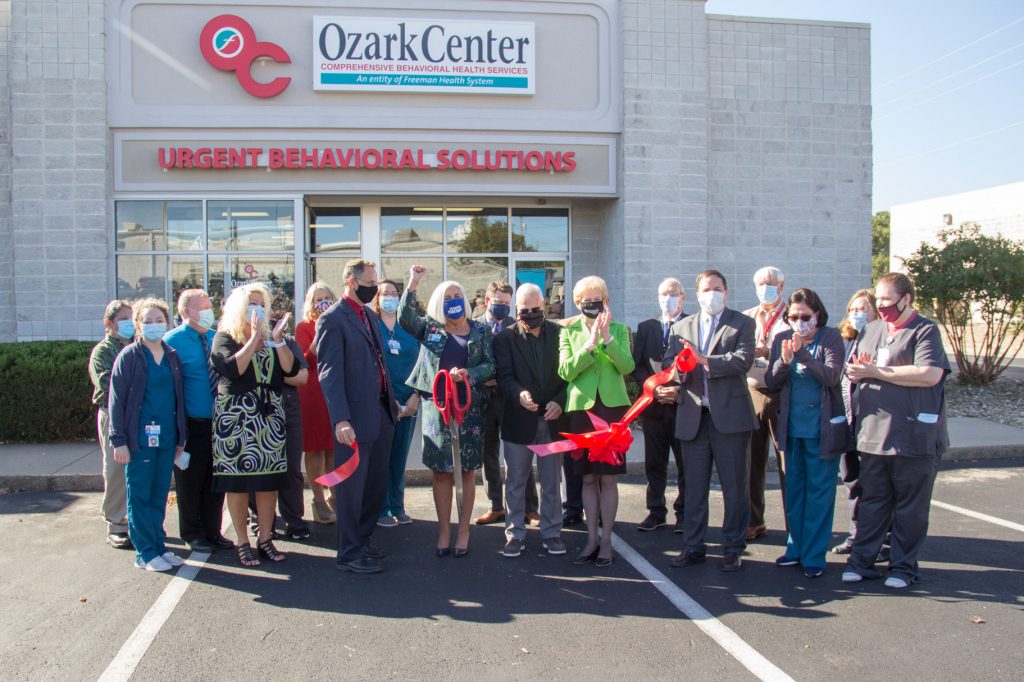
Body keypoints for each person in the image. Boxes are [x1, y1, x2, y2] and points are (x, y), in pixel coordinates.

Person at [843, 272, 950, 589]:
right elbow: (859, 366)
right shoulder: (872, 329)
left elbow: (929, 374)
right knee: (872, 503)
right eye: (878, 299)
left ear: (906, 299)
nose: (880, 305)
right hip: (874, 435)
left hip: (913, 437)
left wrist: (876, 372)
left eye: (887, 300)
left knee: (910, 508)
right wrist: (858, 372)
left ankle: (902, 568)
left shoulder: (925, 330)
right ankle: (861, 562)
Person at [662, 269, 757, 572]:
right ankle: (693, 546)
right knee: (694, 488)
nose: (711, 294)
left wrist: (704, 360)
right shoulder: (682, 327)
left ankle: (733, 548)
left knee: (734, 488)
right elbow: (669, 363)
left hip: (730, 419)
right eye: (706, 289)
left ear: (725, 292)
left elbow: (742, 361)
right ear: (697, 294)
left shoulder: (742, 323)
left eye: (717, 288)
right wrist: (676, 372)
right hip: (694, 417)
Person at [399, 265, 494, 558]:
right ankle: (443, 531)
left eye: (457, 296)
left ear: (464, 300)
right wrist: (413, 283)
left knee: (467, 470)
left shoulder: (481, 330)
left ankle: (463, 530)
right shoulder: (431, 328)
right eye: (447, 297)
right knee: (441, 472)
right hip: (437, 409)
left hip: (469, 409)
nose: (454, 300)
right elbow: (404, 319)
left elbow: (491, 365)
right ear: (440, 303)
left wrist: (469, 375)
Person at [315, 259, 399, 574]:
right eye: (369, 283)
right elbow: (329, 374)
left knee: (375, 485)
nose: (374, 289)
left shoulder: (368, 315)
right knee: (351, 489)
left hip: (380, 413)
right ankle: (349, 552)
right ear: (351, 282)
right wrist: (340, 419)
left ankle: (362, 540)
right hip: (353, 419)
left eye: (376, 283)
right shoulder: (332, 319)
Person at [210, 283, 298, 567]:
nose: (257, 309)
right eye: (252, 304)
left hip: (269, 418)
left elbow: (291, 369)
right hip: (236, 418)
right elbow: (231, 368)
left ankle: (265, 538)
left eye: (261, 304)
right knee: (237, 483)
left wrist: (278, 341)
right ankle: (242, 541)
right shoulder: (225, 337)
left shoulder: (272, 337)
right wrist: (253, 340)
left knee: (268, 482)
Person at [765, 288, 848, 578]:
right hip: (792, 429)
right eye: (793, 317)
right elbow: (771, 380)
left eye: (805, 316)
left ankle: (814, 555)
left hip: (821, 429)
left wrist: (802, 354)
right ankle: (795, 549)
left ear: (817, 315)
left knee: (819, 494)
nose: (799, 322)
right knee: (795, 491)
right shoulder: (781, 339)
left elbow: (832, 376)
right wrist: (784, 361)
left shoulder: (830, 338)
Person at [558, 276, 635, 567]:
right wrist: (589, 345)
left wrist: (607, 339)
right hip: (581, 412)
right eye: (585, 301)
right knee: (588, 477)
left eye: (597, 300)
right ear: (577, 303)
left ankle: (607, 540)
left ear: (606, 301)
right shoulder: (568, 331)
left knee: (609, 478)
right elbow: (566, 371)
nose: (591, 305)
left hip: (612, 411)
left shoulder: (619, 330)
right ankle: (591, 538)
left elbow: (627, 366)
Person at [107, 298, 188, 572]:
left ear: (167, 322)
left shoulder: (172, 356)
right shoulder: (129, 357)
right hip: (139, 440)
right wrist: (119, 441)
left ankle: (159, 546)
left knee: (159, 495)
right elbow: (117, 402)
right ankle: (145, 552)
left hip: (167, 437)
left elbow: (178, 399)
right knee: (140, 495)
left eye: (159, 320)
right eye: (148, 321)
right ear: (138, 325)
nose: (154, 325)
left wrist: (181, 437)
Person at [494, 283, 570, 558]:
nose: (529, 314)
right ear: (516, 309)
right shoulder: (505, 339)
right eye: (524, 310)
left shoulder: (561, 334)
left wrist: (560, 401)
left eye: (534, 309)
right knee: (515, 481)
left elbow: (570, 377)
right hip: (518, 421)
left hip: (552, 420)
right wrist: (520, 394)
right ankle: (514, 534)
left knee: (551, 482)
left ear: (544, 306)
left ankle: (552, 533)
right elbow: (504, 377)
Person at [163, 289, 229, 553]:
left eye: (209, 306)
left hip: (219, 424)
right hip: (191, 424)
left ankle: (213, 531)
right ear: (185, 311)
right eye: (202, 308)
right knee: (190, 481)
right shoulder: (172, 342)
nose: (208, 312)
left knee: (216, 481)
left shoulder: (216, 338)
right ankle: (193, 533)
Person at [474, 280, 540, 527]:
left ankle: (530, 508)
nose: (502, 306)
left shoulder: (517, 325)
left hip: (511, 398)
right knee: (488, 455)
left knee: (520, 454)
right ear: (487, 301)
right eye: (498, 302)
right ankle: (495, 507)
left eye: (506, 303)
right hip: (484, 399)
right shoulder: (474, 326)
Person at [632, 277, 687, 533]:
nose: (668, 298)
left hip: (683, 407)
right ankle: (656, 511)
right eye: (664, 294)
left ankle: (684, 513)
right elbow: (637, 366)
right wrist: (653, 389)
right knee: (654, 463)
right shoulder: (646, 328)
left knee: (686, 464)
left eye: (673, 294)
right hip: (653, 408)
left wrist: (678, 390)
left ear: (683, 297)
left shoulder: (692, 325)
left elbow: (697, 366)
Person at [743, 266, 790, 541]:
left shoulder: (792, 316)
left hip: (782, 393)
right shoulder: (748, 316)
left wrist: (768, 351)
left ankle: (793, 527)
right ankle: (753, 520)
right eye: (761, 283)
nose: (766, 288)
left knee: (786, 462)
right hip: (752, 392)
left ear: (781, 287)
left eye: (771, 284)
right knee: (751, 460)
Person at [832, 289, 879, 555]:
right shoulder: (845, 341)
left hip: (872, 423)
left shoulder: (882, 341)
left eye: (863, 309)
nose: (857, 314)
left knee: (876, 486)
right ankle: (855, 535)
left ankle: (882, 541)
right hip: (846, 422)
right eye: (853, 309)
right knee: (852, 481)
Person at [372, 279, 421, 527]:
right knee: (381, 458)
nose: (390, 297)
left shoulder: (409, 327)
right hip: (381, 404)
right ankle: (381, 509)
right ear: (377, 299)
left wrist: (415, 396)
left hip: (409, 403)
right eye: (385, 294)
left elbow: (424, 363)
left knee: (399, 458)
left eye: (394, 293)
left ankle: (397, 506)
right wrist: (387, 400)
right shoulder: (371, 326)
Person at [89, 299, 135, 549]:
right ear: (109, 323)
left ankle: (137, 522)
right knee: (116, 471)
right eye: (123, 319)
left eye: (131, 319)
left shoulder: (138, 346)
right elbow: (108, 386)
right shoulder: (103, 351)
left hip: (138, 415)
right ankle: (116, 524)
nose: (129, 324)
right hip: (114, 415)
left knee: (138, 471)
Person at [294, 282, 338, 524]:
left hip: (335, 391)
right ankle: (318, 498)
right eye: (318, 299)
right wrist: (319, 332)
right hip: (313, 392)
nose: (322, 303)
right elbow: (304, 359)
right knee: (315, 449)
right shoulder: (304, 327)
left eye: (326, 298)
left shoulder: (339, 322)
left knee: (333, 448)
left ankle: (334, 494)